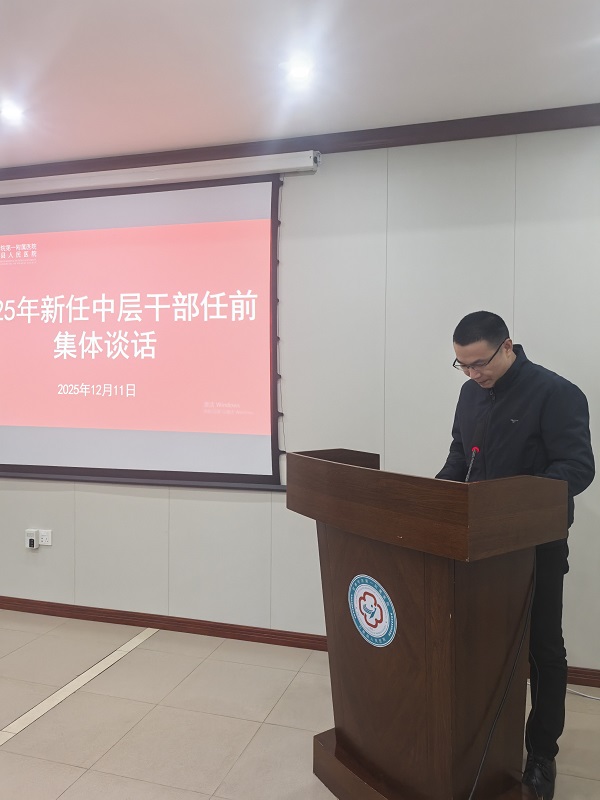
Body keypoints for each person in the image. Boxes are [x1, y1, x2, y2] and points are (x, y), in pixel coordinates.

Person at [436, 311, 594, 800]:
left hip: (535, 546)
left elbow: (577, 467)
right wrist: (435, 498)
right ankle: (482, 741)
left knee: (543, 649)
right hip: (476, 546)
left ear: (507, 346)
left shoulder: (556, 393)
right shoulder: (470, 394)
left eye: (479, 363)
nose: (472, 375)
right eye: (462, 366)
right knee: (480, 645)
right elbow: (460, 456)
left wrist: (511, 502)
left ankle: (541, 755)